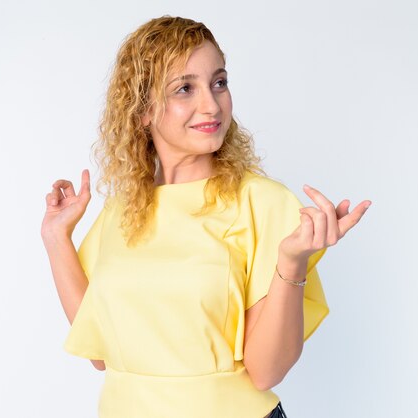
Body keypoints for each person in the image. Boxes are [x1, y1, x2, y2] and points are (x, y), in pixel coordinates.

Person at [40, 15, 371, 418]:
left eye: (219, 82)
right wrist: (57, 239)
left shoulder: (263, 203)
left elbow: (266, 372)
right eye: (185, 88)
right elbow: (100, 352)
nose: (211, 104)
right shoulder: (122, 211)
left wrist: (291, 261)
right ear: (143, 110)